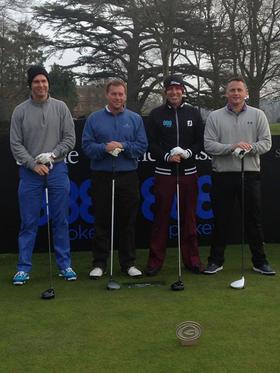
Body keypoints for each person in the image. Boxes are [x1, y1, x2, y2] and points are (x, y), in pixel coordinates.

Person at [10, 65, 77, 285]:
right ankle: (23, 268)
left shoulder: (60, 107)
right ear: (31, 85)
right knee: (28, 222)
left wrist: (53, 154)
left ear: (48, 83)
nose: (41, 85)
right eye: (37, 82)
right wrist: (33, 164)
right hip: (30, 173)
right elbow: (15, 144)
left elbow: (69, 138)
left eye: (44, 81)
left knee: (60, 220)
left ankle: (64, 265)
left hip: (57, 169)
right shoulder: (20, 110)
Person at [204, 77, 276, 275]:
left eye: (239, 90)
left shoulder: (258, 114)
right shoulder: (214, 117)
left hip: (249, 174)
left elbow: (266, 143)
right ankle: (215, 261)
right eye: (232, 90)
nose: (235, 94)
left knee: (253, 220)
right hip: (223, 176)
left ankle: (260, 261)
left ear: (246, 93)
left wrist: (249, 147)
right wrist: (232, 147)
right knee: (221, 220)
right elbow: (209, 145)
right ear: (226, 94)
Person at [82, 79, 148, 278]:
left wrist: (123, 146)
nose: (117, 98)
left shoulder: (135, 119)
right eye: (114, 94)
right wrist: (105, 148)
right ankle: (100, 264)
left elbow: (141, 146)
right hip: (102, 176)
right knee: (102, 221)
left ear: (125, 96)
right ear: (107, 95)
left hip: (127, 176)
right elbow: (86, 147)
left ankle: (128, 263)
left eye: (121, 94)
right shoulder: (94, 119)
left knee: (127, 222)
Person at [146, 75, 205, 276]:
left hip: (188, 172)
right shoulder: (156, 114)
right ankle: (155, 262)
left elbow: (200, 142)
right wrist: (166, 156)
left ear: (183, 91)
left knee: (189, 218)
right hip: (165, 173)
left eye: (178, 89)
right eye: (170, 89)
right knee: (161, 219)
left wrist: (188, 153)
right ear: (165, 92)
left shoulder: (194, 113)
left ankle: (192, 260)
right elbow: (151, 144)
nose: (174, 93)